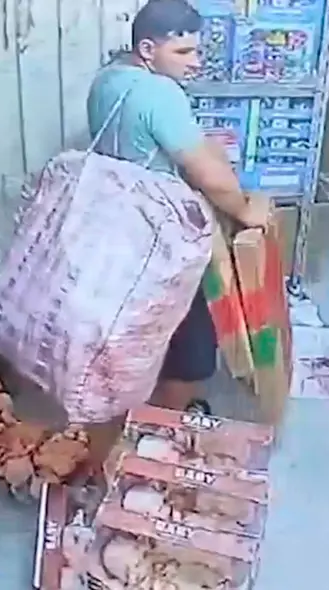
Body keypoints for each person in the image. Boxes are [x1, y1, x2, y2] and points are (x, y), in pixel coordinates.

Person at [83, 0, 271, 485]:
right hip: (161, 246)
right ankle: (156, 439)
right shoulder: (160, 94)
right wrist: (249, 209)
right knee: (194, 352)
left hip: (122, 233)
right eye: (184, 50)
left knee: (145, 334)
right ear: (148, 49)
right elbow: (210, 178)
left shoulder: (108, 81)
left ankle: (140, 420)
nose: (195, 61)